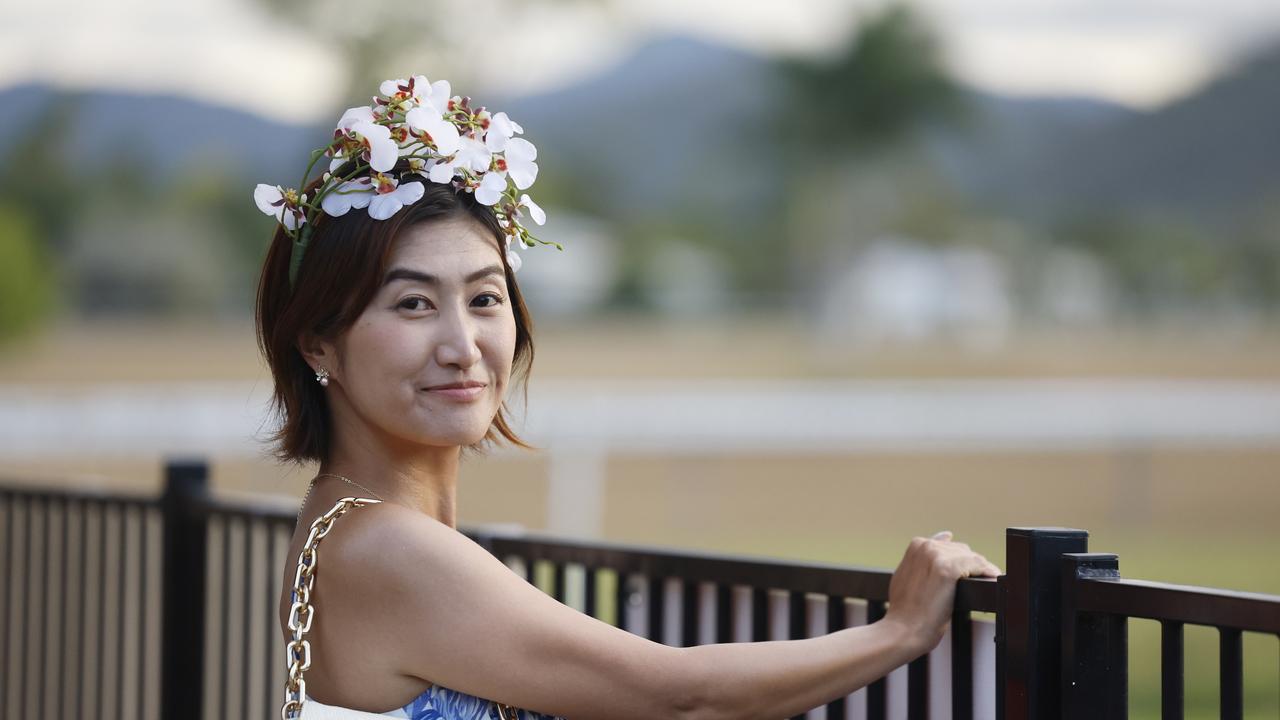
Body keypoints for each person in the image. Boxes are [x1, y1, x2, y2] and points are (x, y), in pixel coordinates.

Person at [258, 75, 1001, 720]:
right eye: (413, 305)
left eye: (484, 298)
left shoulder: (348, 522)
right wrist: (900, 631)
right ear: (318, 342)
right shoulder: (389, 547)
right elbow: (681, 698)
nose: (462, 343)